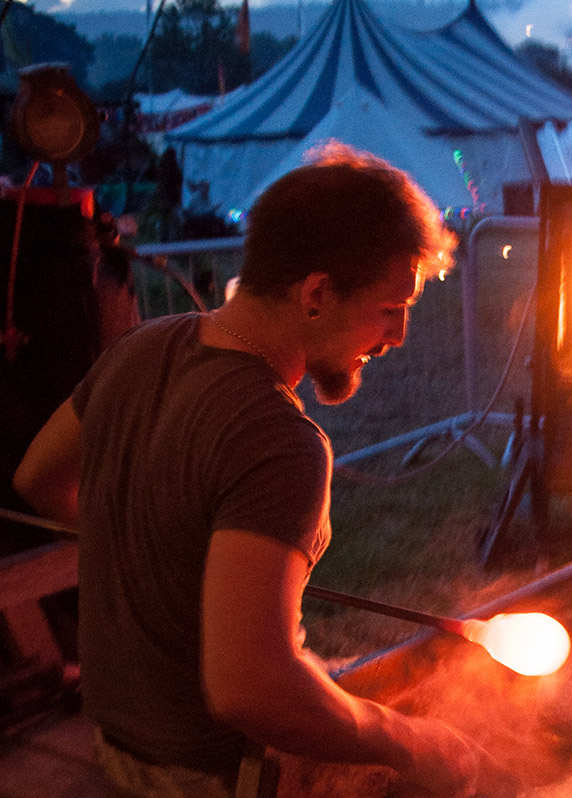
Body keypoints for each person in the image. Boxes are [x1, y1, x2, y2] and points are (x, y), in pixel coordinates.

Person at [12, 144, 518, 798]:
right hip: (209, 775)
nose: (397, 335)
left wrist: (145, 553)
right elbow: (250, 691)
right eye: (391, 307)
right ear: (315, 294)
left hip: (118, 739)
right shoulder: (282, 443)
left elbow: (37, 480)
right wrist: (410, 743)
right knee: (464, 760)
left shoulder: (139, 351)